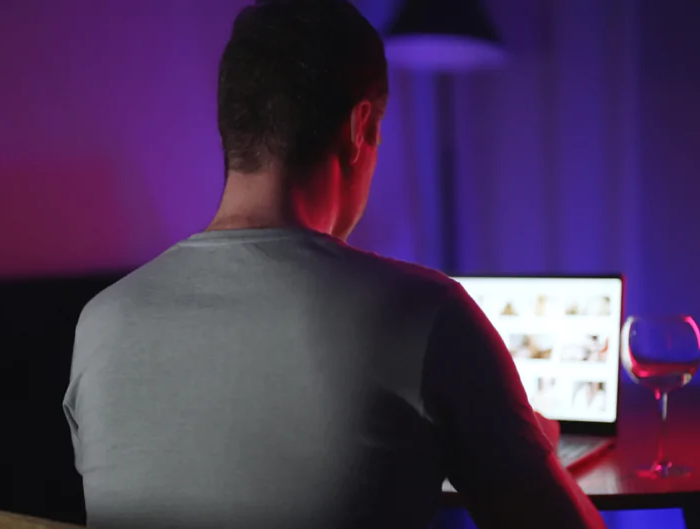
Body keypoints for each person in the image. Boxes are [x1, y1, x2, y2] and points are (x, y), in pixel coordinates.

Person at [63, 1, 606, 528]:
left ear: (232, 127)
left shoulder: (101, 324)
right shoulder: (424, 314)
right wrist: (530, 447)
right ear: (358, 127)